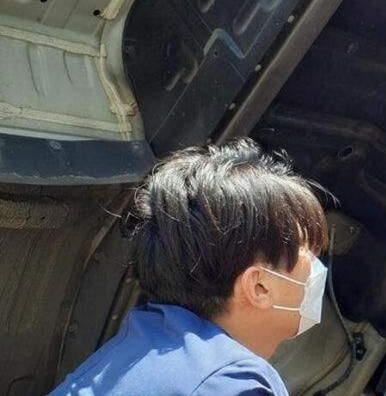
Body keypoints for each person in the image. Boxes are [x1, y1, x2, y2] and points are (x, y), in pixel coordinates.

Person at [51, 138, 329, 395]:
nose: (316, 265)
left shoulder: (127, 352)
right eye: (307, 250)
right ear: (259, 286)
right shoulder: (231, 383)